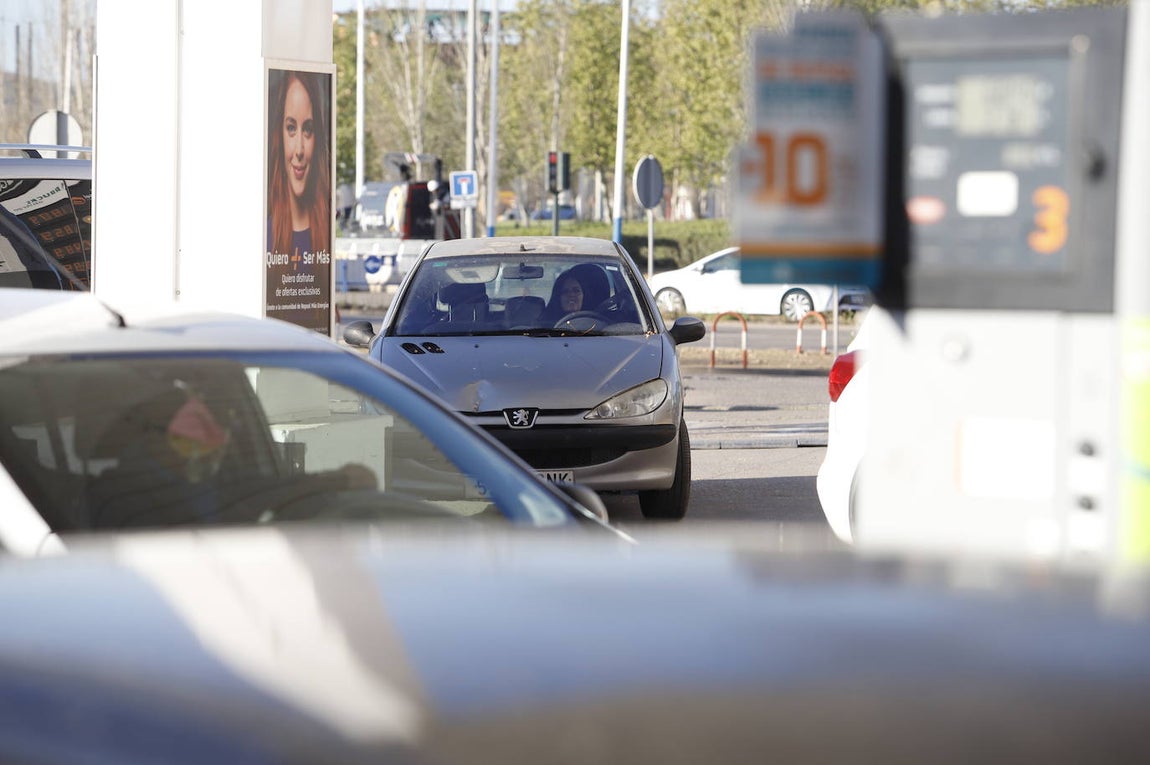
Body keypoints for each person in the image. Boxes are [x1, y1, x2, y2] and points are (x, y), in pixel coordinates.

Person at [267, 70, 331, 260]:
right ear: (279, 135)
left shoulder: (324, 237)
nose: (299, 150)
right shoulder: (264, 237)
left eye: (308, 130)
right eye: (291, 128)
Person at [543, 264, 610, 322]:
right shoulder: (543, 326)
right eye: (565, 291)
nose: (571, 295)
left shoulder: (600, 324)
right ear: (558, 297)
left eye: (576, 291)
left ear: (584, 295)